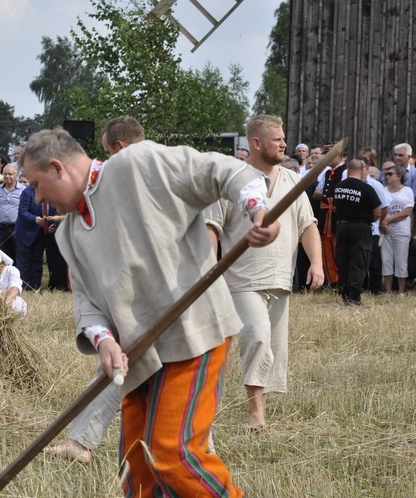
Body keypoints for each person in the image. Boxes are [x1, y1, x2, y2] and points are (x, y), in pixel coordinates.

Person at [21, 128, 279, 497]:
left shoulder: (135, 164)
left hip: (192, 335)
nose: (37, 196)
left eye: (36, 183)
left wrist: (258, 210)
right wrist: (105, 342)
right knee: (137, 466)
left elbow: (221, 171)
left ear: (57, 167)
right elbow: (88, 305)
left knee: (171, 455)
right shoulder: (69, 234)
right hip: (140, 357)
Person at [205, 115, 323, 429]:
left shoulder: (291, 180)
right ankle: (254, 415)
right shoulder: (233, 180)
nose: (284, 144)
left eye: (284, 138)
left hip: (281, 279)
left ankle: (261, 412)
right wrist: (209, 267)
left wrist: (317, 263)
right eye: (277, 140)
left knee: (273, 348)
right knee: (256, 338)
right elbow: (211, 227)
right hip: (241, 279)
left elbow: (307, 225)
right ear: (257, 143)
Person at [46, 115, 145, 464]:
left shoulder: (145, 179)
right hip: (132, 292)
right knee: (120, 363)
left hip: (159, 295)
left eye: (106, 152)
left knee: (137, 366)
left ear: (119, 147)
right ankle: (81, 442)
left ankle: (82, 443)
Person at [333, 159, 382, 305]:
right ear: (362, 171)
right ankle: (354, 297)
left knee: (344, 260)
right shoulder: (366, 188)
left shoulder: (339, 187)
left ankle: (344, 293)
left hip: (342, 227)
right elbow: (378, 212)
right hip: (360, 228)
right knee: (359, 261)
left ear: (348, 170)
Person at [14, 186, 67, 291]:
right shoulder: (27, 192)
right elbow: (22, 212)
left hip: (41, 233)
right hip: (26, 233)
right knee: (24, 262)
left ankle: (35, 287)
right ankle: (23, 287)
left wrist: (54, 224)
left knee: (37, 261)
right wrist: (35, 219)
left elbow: (56, 210)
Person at [314, 148, 348, 286]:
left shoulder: (345, 171)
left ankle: (340, 280)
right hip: (326, 216)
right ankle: (331, 280)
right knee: (326, 249)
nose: (327, 159)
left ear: (341, 157)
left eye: (330, 156)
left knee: (337, 249)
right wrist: (327, 199)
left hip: (336, 216)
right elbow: (316, 193)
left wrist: (330, 200)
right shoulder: (327, 172)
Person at [380, 165, 415, 295]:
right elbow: (381, 209)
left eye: (390, 174)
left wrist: (388, 220)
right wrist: (383, 224)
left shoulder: (407, 191)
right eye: (386, 174)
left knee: (401, 260)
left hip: (402, 230)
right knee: (386, 260)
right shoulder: (383, 190)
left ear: (399, 176)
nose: (387, 176)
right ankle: (388, 290)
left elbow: (407, 211)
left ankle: (401, 291)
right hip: (386, 230)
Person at [0, 164, 25, 261]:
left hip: (16, 227)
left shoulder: (23, 190)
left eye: (10, 174)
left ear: (16, 176)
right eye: (5, 174)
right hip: (2, 228)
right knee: (3, 256)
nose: (7, 176)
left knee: (17, 255)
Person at [0, 246, 27, 315]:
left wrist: (5, 304)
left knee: (19, 305)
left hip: (10, 302)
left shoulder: (12, 270)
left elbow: (15, 288)